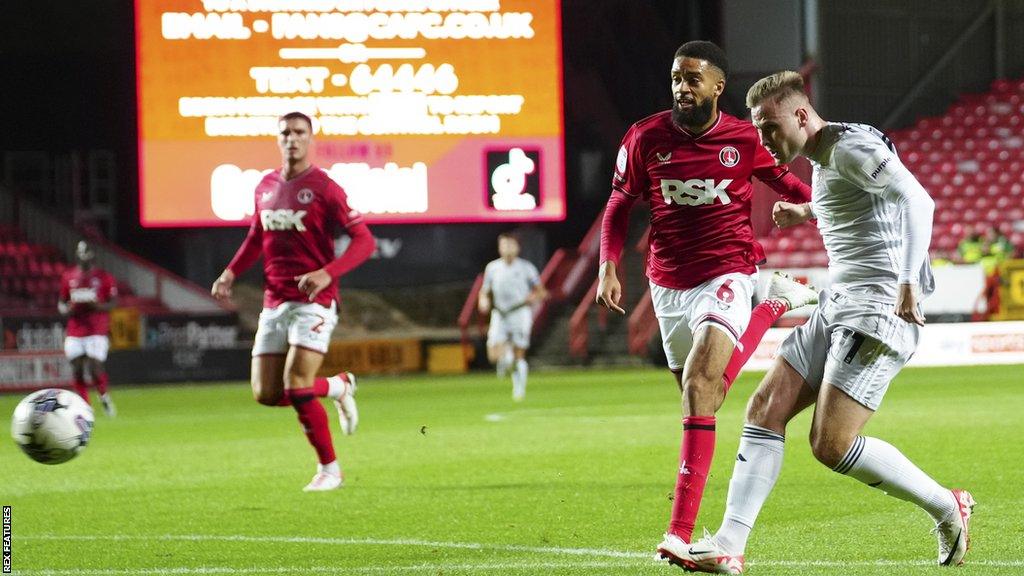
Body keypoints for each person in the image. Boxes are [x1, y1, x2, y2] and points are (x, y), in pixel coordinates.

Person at [670, 71, 974, 574]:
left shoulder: (849, 147)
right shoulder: (827, 154)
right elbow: (862, 203)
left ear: (802, 115)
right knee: (764, 407)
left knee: (829, 445)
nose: (765, 142)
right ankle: (729, 544)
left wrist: (907, 283)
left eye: (770, 128)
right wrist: (808, 211)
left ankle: (947, 506)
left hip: (876, 310)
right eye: (758, 131)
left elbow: (918, 200)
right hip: (839, 304)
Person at [596, 40, 819, 556]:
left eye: (693, 78)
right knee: (706, 394)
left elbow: (795, 185)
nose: (682, 87)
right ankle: (771, 306)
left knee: (700, 387)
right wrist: (608, 266)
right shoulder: (645, 137)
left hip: (727, 271)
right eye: (676, 77)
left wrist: (814, 211)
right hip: (667, 283)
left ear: (718, 86)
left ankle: (678, 532)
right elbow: (617, 205)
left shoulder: (744, 139)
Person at [211, 111, 376, 492]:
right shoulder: (265, 185)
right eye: (285, 132)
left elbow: (365, 241)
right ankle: (337, 387)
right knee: (267, 394)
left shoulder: (325, 187)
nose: (292, 139)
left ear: (311, 138)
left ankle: (330, 470)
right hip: (275, 301)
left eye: (299, 132)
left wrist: (327, 273)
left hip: (314, 301)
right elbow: (257, 236)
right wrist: (232, 272)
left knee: (297, 384)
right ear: (278, 138)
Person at [477, 233, 548, 401]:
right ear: (499, 247)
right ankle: (506, 357)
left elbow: (541, 292)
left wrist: (533, 297)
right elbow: (484, 291)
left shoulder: (526, 268)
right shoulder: (492, 268)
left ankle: (519, 388)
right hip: (500, 313)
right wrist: (483, 301)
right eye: (504, 245)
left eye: (510, 245)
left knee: (519, 354)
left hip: (519, 313)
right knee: (493, 355)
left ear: (517, 248)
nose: (507, 248)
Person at [59, 240, 118, 416]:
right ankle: (86, 407)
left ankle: (104, 396)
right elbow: (61, 304)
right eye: (81, 253)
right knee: (77, 370)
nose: (84, 257)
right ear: (77, 255)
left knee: (95, 369)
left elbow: (113, 303)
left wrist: (97, 306)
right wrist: (69, 308)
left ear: (92, 255)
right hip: (75, 330)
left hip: (96, 330)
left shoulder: (104, 277)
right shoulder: (68, 277)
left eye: (87, 253)